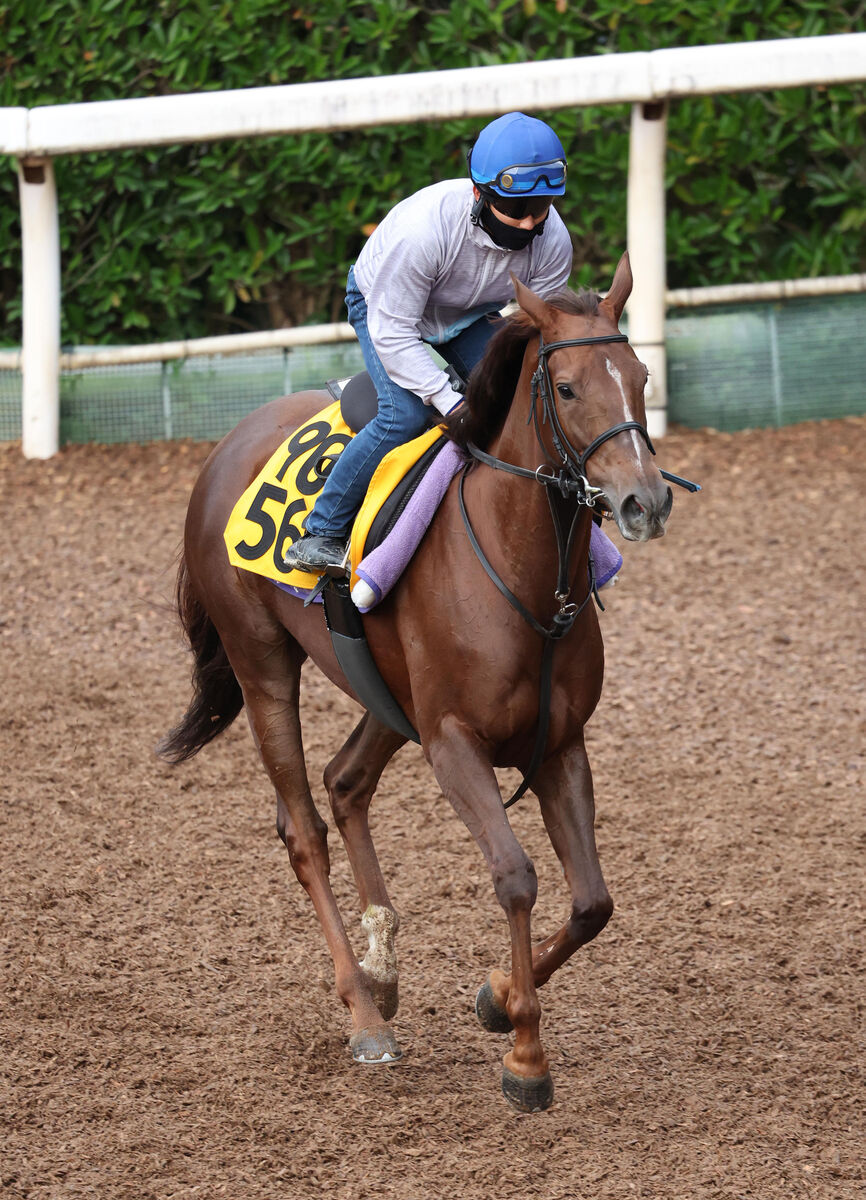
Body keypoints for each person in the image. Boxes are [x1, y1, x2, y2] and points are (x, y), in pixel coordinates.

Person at [285, 110, 574, 574]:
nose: (528, 224)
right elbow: (394, 331)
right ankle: (319, 531)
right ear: (479, 193)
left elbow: (539, 330)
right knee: (406, 415)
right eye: (516, 209)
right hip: (386, 310)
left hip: (468, 314)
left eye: (540, 209)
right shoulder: (423, 231)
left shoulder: (553, 241)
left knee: (524, 396)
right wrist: (449, 399)